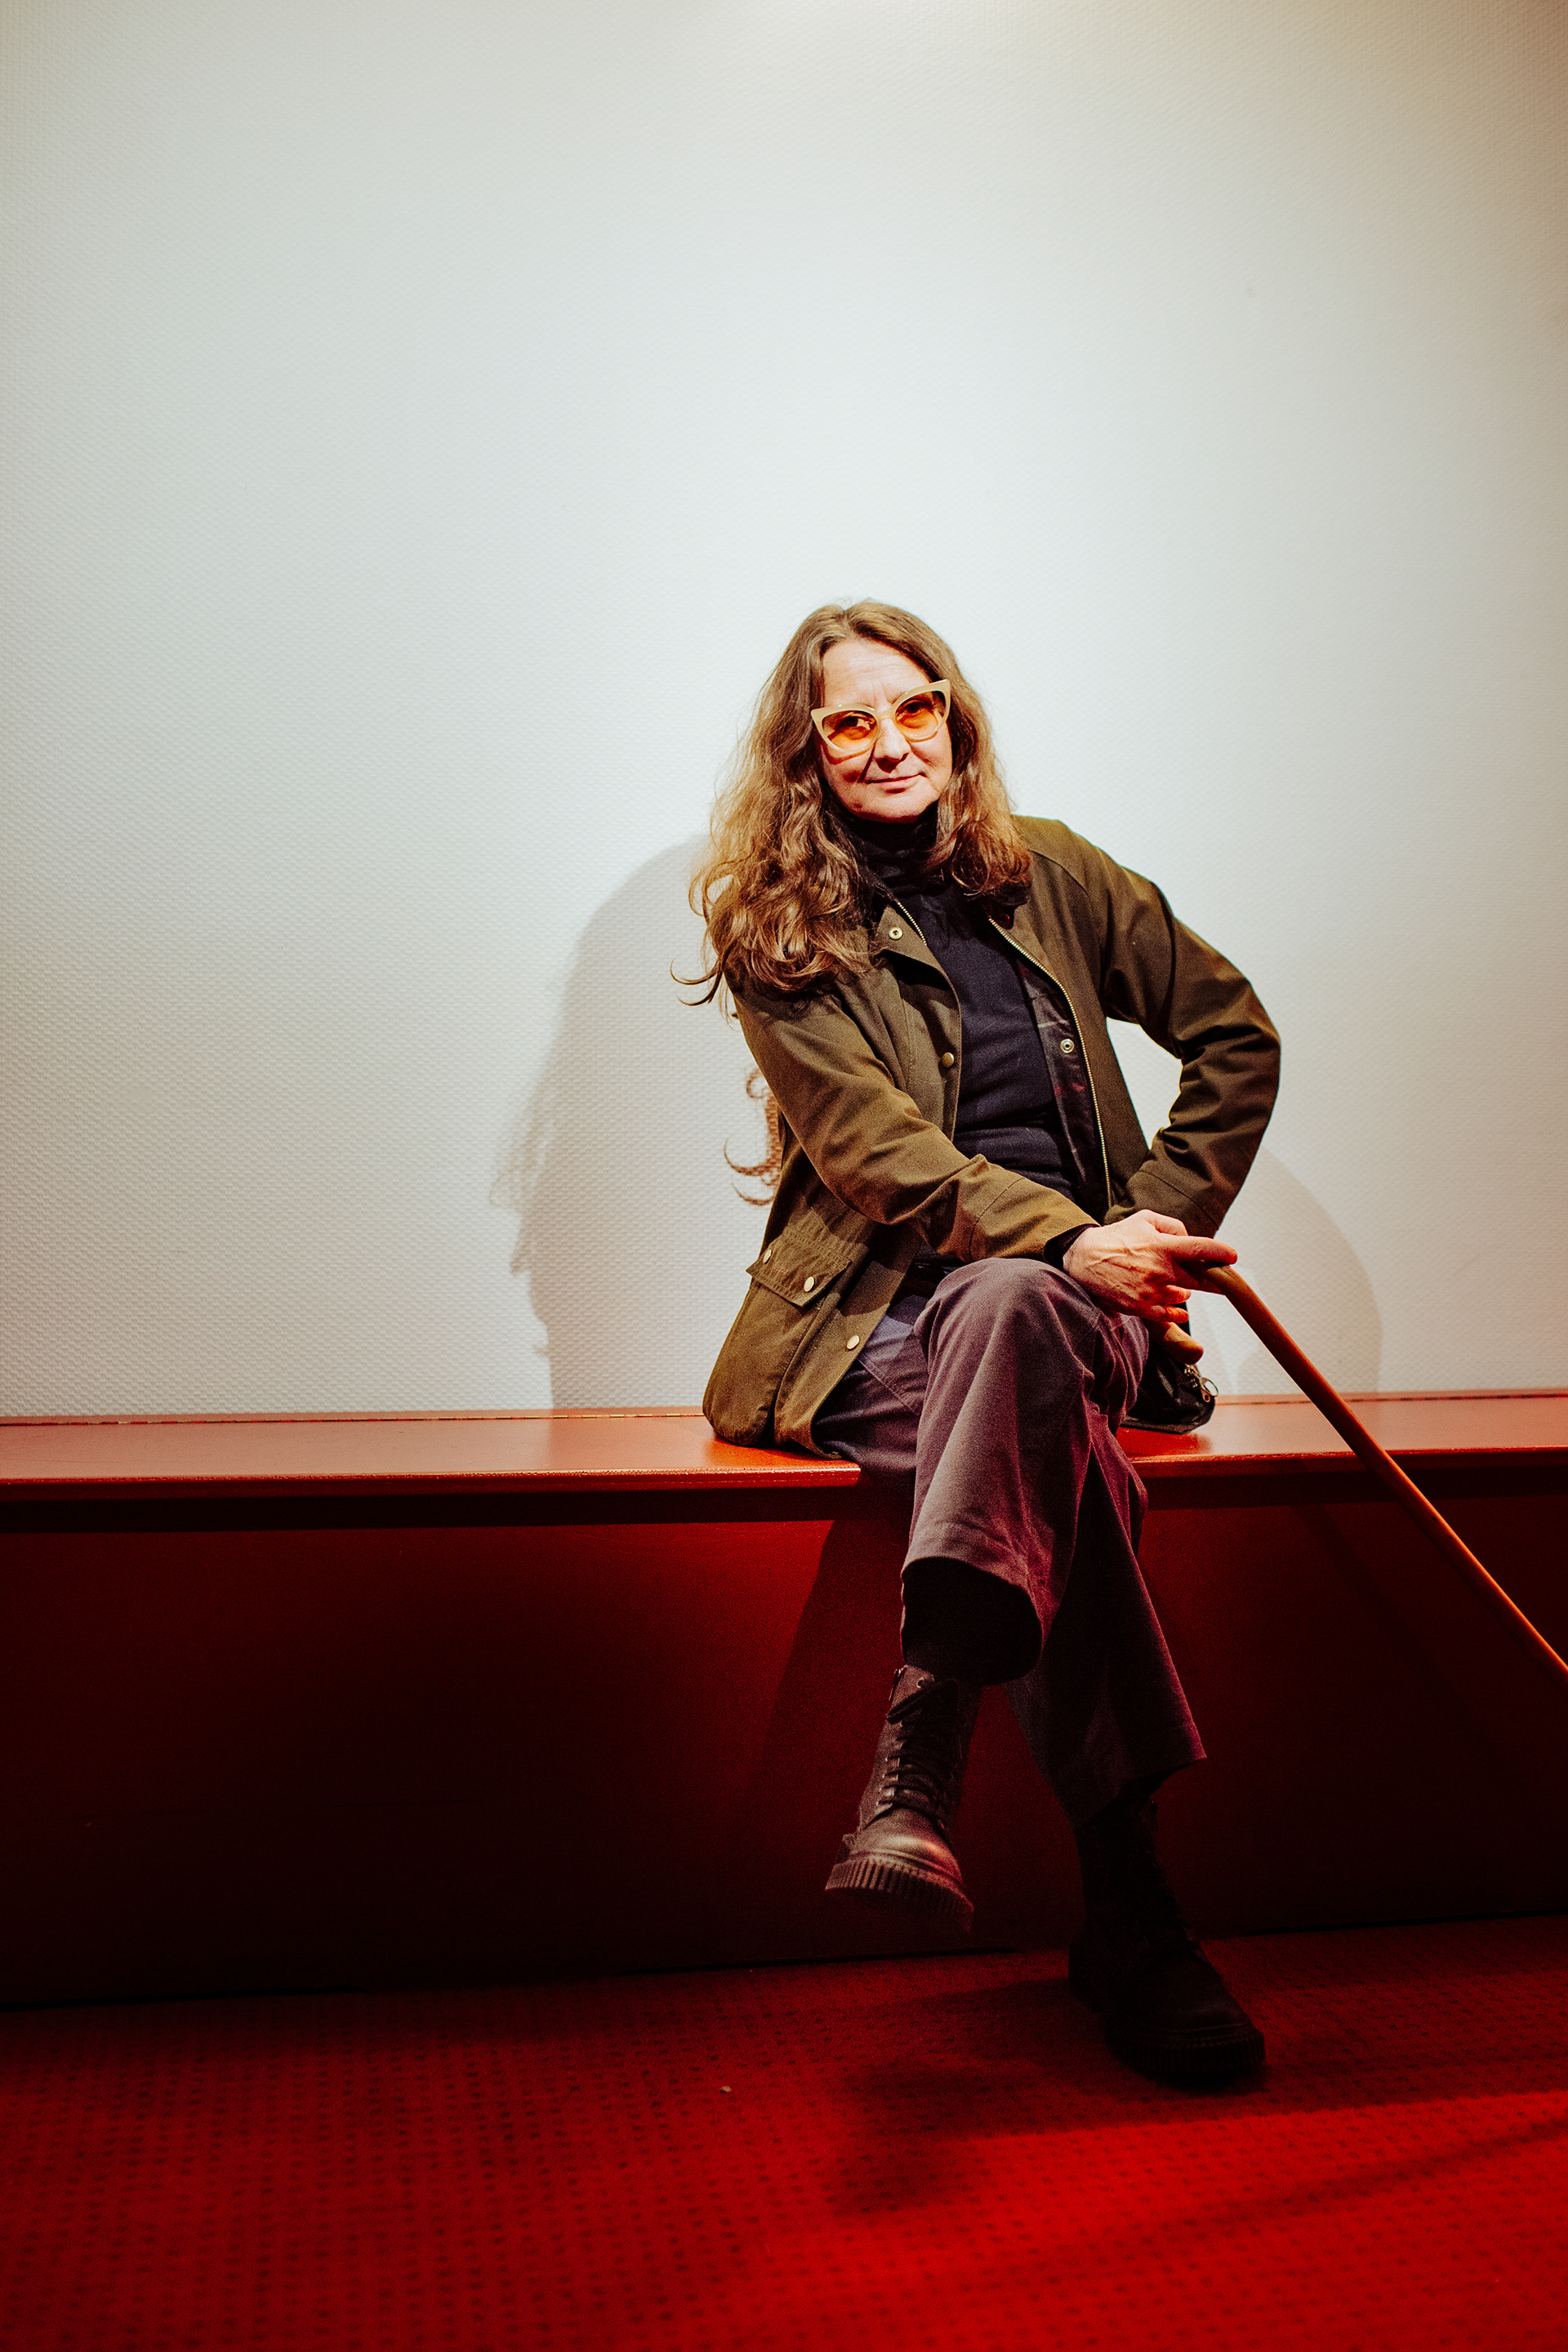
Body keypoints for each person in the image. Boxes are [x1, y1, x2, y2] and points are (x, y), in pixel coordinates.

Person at [690, 601, 1281, 2083]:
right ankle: (1134, 1912)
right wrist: (1072, 1243)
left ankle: (923, 1751)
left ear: (954, 718)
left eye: (916, 708)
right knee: (1037, 1377)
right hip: (877, 1324)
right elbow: (875, 1153)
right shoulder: (775, 929)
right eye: (848, 722)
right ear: (805, 753)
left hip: (1078, 1306)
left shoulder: (1057, 871)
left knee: (1021, 1315)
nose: (890, 744)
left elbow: (1236, 1035)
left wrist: (1148, 1222)